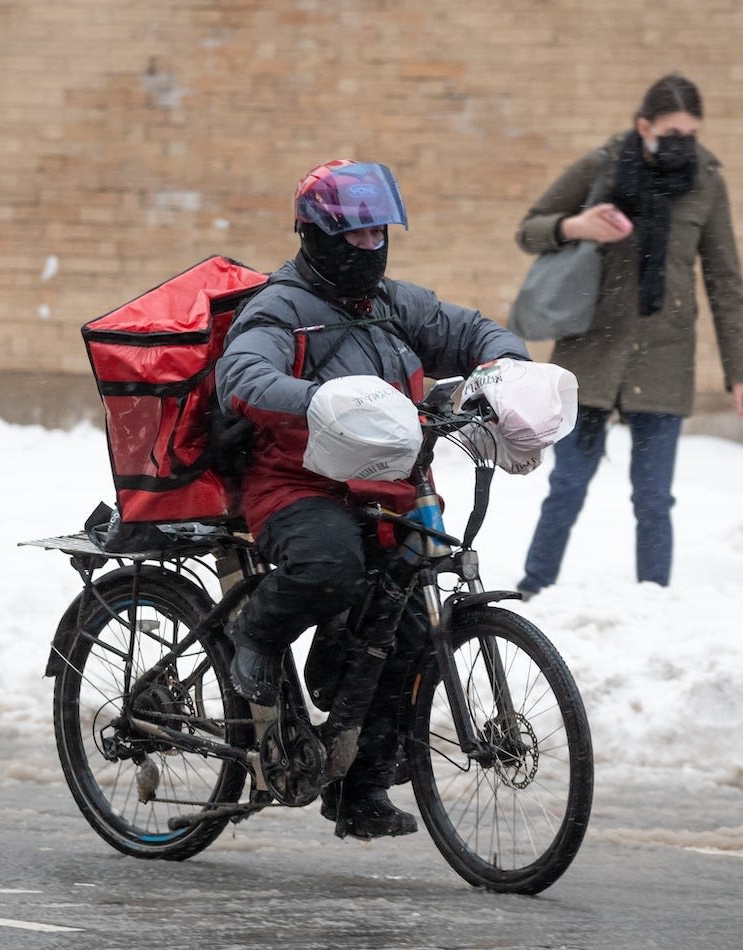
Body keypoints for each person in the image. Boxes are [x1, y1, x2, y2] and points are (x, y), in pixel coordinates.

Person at [215, 159, 530, 840]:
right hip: (297, 482)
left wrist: (509, 372)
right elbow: (241, 377)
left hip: (389, 485)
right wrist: (319, 400)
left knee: (412, 628)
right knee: (330, 567)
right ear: (316, 235)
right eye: (355, 237)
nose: (370, 248)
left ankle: (358, 790)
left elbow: (472, 332)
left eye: (377, 235)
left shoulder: (393, 303)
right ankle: (256, 633)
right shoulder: (280, 307)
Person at [514, 74, 743, 593]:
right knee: (567, 485)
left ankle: (653, 603)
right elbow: (531, 228)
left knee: (653, 497)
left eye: (691, 134)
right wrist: (577, 226)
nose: (682, 144)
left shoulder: (707, 182)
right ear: (644, 126)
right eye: (672, 132)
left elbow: (724, 278)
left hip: (665, 355)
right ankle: (533, 592)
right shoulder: (602, 167)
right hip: (593, 349)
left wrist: (742, 372)